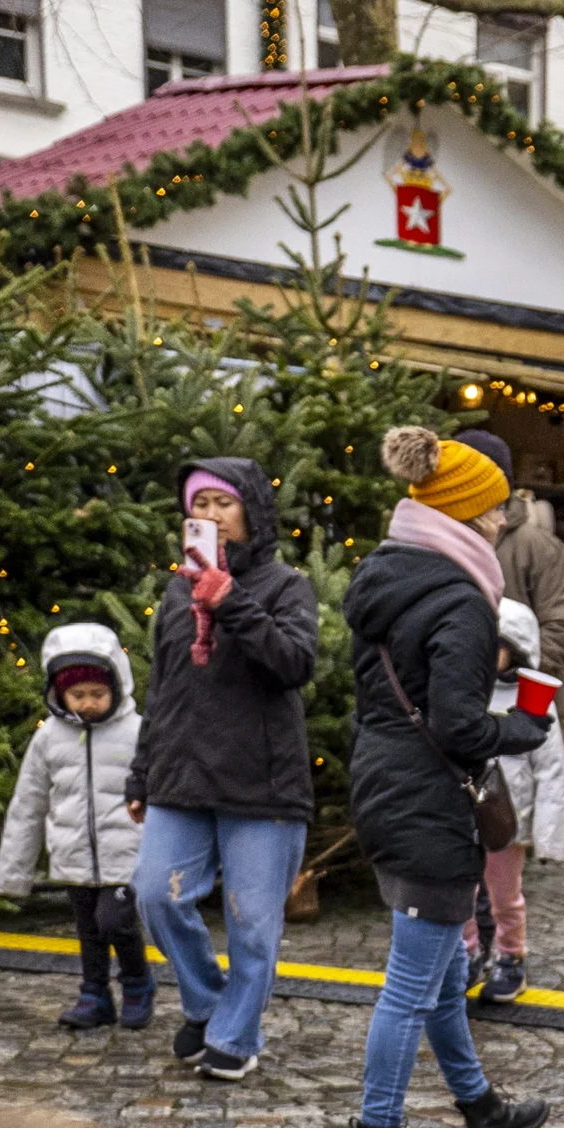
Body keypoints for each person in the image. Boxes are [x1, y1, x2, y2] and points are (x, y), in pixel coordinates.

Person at [338, 426, 556, 1128]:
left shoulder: (388, 575)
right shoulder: (463, 600)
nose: (502, 523)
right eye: (494, 511)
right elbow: (460, 724)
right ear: (465, 514)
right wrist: (525, 728)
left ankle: (482, 1111)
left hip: (384, 783)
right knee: (410, 984)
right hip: (429, 800)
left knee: (433, 977)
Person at [129, 456, 321, 1084]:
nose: (208, 516)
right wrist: (142, 774)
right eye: (199, 506)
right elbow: (163, 686)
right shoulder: (176, 589)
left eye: (222, 504)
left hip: (262, 784)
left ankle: (236, 1037)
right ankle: (209, 1004)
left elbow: (294, 664)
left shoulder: (285, 586)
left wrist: (233, 602)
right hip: (181, 777)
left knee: (253, 923)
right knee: (156, 894)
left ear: (251, 512)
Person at [0, 622, 152, 1034]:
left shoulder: (138, 733)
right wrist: (13, 873)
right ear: (58, 693)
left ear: (117, 685)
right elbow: (28, 803)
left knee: (116, 921)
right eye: (77, 695)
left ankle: (137, 982)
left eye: (97, 694)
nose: (88, 704)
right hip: (73, 851)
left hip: (128, 852)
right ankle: (94, 993)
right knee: (88, 928)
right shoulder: (50, 738)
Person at [471, 596, 564, 1005]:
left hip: (509, 821)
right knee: (463, 892)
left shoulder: (534, 700)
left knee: (504, 894)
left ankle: (511, 956)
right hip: (466, 813)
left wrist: (546, 837)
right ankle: (468, 953)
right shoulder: (464, 692)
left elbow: (552, 771)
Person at [463, 429, 564, 747]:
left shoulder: (540, 548)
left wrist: (507, 656)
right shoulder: (435, 542)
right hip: (461, 713)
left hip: (528, 716)